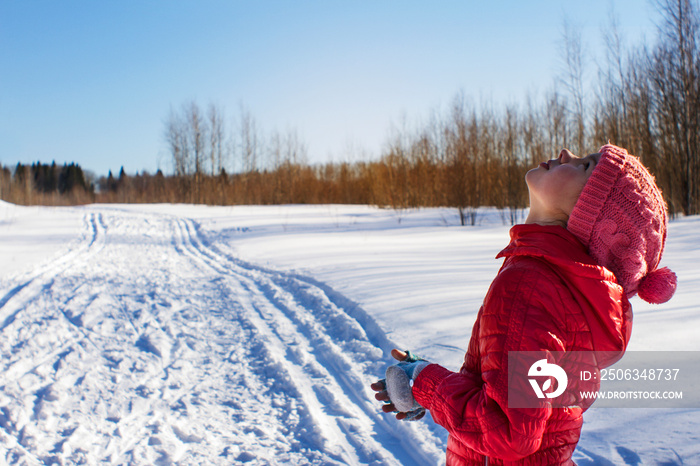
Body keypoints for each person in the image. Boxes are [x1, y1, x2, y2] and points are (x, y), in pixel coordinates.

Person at [371, 144, 677, 464]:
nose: (565, 153)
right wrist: (437, 392)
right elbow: (513, 401)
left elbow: (509, 432)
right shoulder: (559, 289)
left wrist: (424, 382)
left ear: (587, 217)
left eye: (585, 166)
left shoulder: (530, 285)